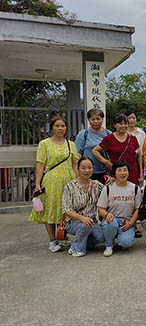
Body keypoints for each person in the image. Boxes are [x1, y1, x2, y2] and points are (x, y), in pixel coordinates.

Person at [29, 115, 79, 252]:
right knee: (51, 209)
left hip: (69, 180)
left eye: (63, 126)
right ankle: (52, 240)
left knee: (67, 209)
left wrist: (78, 180)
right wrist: (37, 183)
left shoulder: (71, 144)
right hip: (51, 181)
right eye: (57, 126)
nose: (60, 128)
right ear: (52, 128)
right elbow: (40, 165)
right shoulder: (44, 144)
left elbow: (75, 164)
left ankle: (62, 236)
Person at [61, 157, 105, 257]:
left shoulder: (97, 185)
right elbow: (66, 210)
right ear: (78, 169)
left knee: (102, 237)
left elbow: (108, 192)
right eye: (83, 168)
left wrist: (113, 180)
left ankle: (81, 242)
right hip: (73, 222)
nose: (87, 171)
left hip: (92, 221)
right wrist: (82, 218)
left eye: (89, 168)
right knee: (85, 225)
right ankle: (76, 249)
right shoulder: (70, 186)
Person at [97, 160, 142, 256]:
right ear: (114, 173)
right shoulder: (108, 188)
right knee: (110, 224)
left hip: (126, 221)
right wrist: (107, 215)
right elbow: (100, 209)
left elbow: (137, 209)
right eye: (119, 170)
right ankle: (109, 245)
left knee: (126, 243)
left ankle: (122, 237)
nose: (122, 173)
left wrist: (131, 223)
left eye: (125, 170)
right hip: (112, 220)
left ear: (128, 172)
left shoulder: (135, 188)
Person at [93, 114, 142, 185]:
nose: (123, 126)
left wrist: (141, 173)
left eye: (125, 123)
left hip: (132, 171)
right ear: (115, 125)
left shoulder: (133, 138)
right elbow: (95, 150)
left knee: (132, 190)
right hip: (116, 171)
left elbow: (139, 155)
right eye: (120, 124)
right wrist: (106, 162)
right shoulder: (108, 139)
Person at [75, 108, 111, 182]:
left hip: (105, 172)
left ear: (102, 119)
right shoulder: (83, 134)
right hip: (86, 173)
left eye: (98, 119)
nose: (95, 121)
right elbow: (78, 154)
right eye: (93, 119)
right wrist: (78, 173)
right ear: (88, 120)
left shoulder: (108, 134)